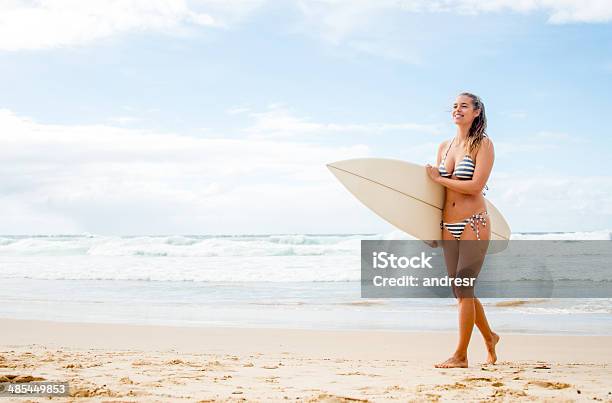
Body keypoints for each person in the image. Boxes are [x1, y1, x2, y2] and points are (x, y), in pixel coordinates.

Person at [425, 92, 499, 368]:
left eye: (464, 106)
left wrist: (440, 179)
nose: (457, 109)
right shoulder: (444, 146)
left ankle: (460, 355)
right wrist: (431, 229)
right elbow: (436, 194)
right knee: (460, 291)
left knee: (464, 289)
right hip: (448, 225)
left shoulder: (483, 144)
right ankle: (490, 337)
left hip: (473, 223)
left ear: (477, 111)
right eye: (455, 106)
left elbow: (475, 186)